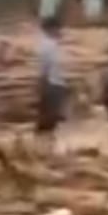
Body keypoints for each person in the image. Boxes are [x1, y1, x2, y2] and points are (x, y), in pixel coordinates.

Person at [35, 16, 67, 154]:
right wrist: (42, 86)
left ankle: (47, 146)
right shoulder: (47, 46)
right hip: (51, 85)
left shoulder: (53, 45)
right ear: (51, 29)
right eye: (58, 29)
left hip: (56, 84)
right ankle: (43, 147)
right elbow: (44, 69)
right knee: (49, 116)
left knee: (53, 117)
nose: (60, 31)